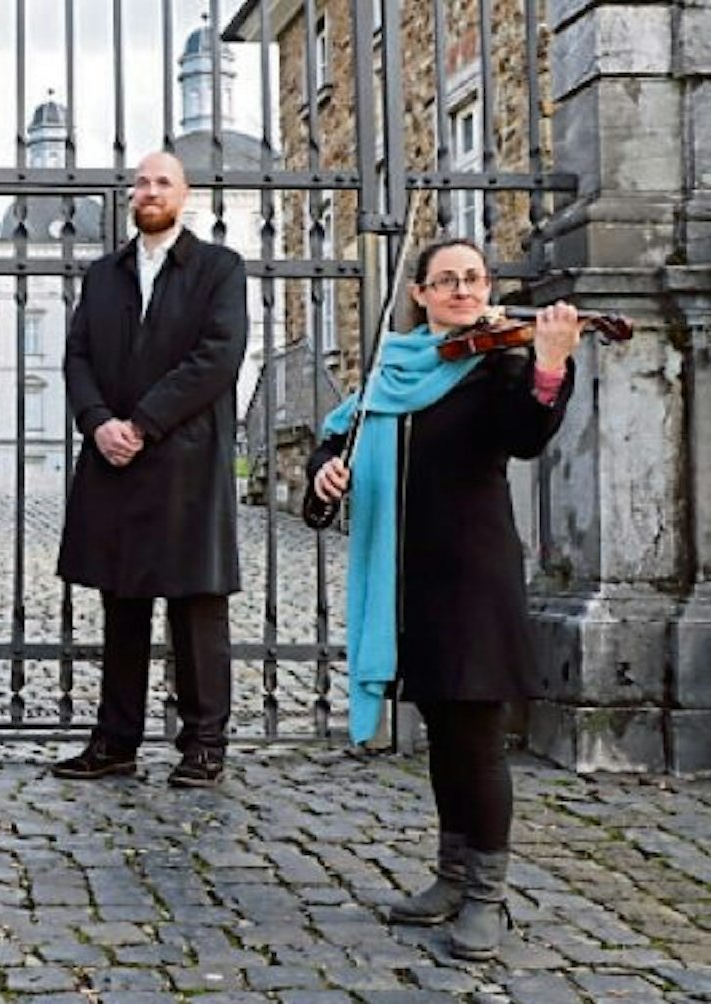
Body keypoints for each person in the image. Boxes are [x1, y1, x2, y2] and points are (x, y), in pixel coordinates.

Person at [306, 237, 577, 961]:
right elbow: (338, 441)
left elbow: (526, 436)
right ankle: (452, 877)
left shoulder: (501, 363)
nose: (462, 289)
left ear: (486, 289)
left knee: (478, 741)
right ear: (420, 293)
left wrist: (550, 364)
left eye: (474, 278)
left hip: (475, 578)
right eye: (447, 279)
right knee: (442, 735)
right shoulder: (392, 370)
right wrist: (326, 472)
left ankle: (488, 897)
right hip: (409, 580)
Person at [51, 150, 249, 788]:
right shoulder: (104, 275)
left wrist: (140, 424)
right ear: (130, 197)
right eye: (141, 182)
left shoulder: (219, 268)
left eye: (163, 182)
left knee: (197, 607)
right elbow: (78, 356)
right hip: (115, 461)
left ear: (184, 196)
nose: (150, 190)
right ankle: (115, 741)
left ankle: (204, 744)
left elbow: (218, 357)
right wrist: (97, 422)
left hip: (186, 460)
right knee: (123, 606)